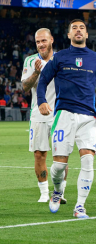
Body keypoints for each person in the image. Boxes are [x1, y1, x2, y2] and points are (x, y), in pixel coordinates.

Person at [38, 19, 96, 219]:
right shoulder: (60, 57)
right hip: (64, 114)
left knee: (88, 160)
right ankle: (57, 190)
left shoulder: (94, 58)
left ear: (87, 35)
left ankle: (80, 207)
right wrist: (41, 101)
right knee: (59, 166)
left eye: (82, 28)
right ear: (69, 35)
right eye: (74, 28)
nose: (78, 31)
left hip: (89, 116)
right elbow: (43, 80)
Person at [22, 28, 62, 203]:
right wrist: (36, 73)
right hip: (38, 115)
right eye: (38, 42)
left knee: (61, 155)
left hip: (60, 113)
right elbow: (24, 87)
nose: (41, 45)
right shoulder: (30, 61)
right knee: (39, 154)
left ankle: (60, 192)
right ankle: (45, 193)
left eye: (44, 41)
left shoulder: (62, 59)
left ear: (51, 40)